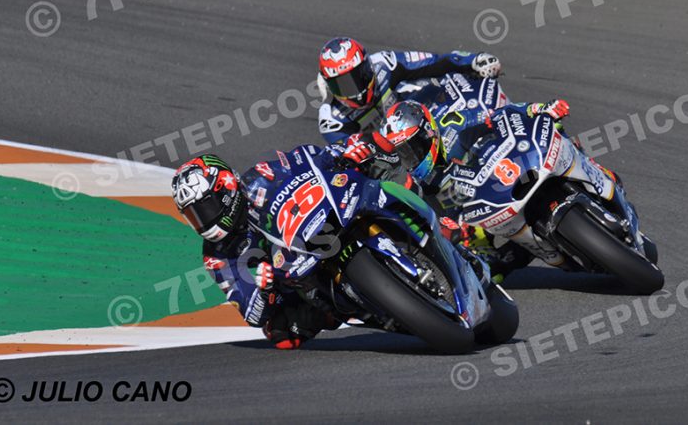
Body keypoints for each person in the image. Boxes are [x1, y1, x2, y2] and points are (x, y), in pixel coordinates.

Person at [339, 99, 578, 280]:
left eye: (414, 148)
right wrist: (454, 232)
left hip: (507, 176)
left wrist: (535, 109)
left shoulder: (451, 124)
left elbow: (499, 115)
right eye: (404, 155)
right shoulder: (420, 187)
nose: (411, 159)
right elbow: (430, 226)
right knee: (486, 273)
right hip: (488, 227)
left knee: (554, 131)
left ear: (428, 132)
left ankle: (581, 169)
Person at [171, 154, 338, 349]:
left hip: (321, 225)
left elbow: (308, 155)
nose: (202, 221)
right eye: (194, 215)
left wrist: (338, 154)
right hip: (292, 271)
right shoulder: (216, 255)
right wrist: (265, 291)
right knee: (280, 330)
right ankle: (333, 310)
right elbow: (251, 314)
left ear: (225, 190)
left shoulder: (263, 176)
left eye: (205, 210)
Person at [317, 36, 502, 144]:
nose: (355, 90)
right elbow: (351, 159)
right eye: (343, 84)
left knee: (431, 84)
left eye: (359, 77)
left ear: (368, 66)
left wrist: (473, 60)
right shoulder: (333, 120)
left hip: (419, 120)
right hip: (392, 160)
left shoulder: (385, 64)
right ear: (328, 85)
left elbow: (434, 62)